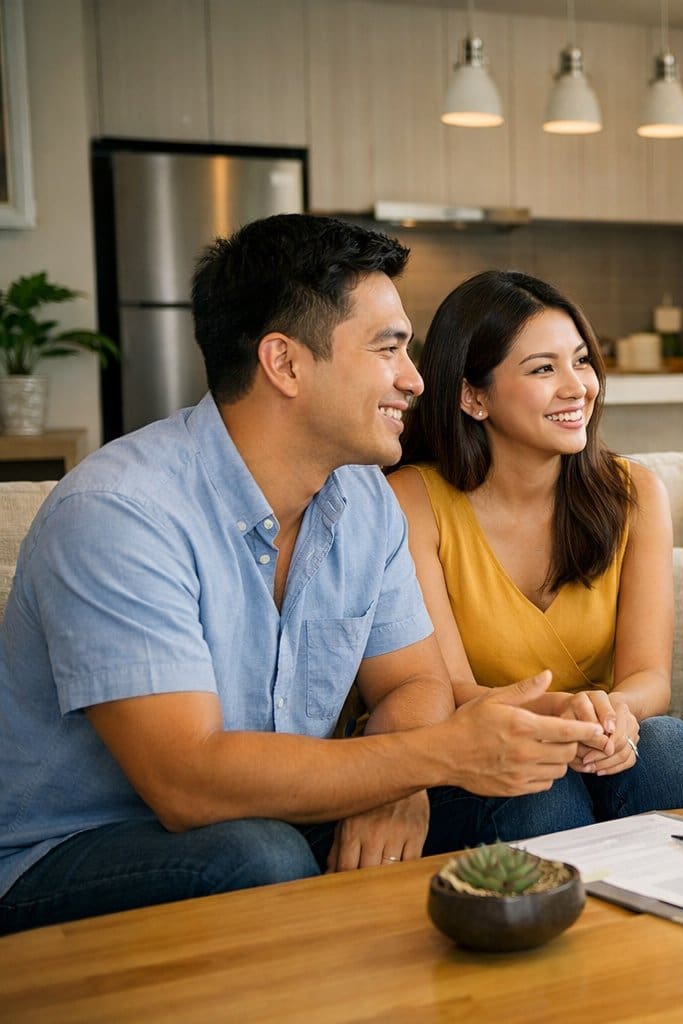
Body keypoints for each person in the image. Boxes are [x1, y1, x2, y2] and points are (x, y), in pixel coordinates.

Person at [0, 215, 607, 935]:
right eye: (388, 349)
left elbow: (414, 684)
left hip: (286, 811)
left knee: (535, 802)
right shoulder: (120, 513)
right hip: (78, 850)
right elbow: (186, 783)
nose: (415, 380)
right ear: (284, 364)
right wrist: (429, 756)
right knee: (258, 857)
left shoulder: (364, 502)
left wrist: (397, 780)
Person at [388, 270, 683, 838]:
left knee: (670, 748)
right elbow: (453, 695)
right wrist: (560, 715)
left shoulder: (635, 493)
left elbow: (648, 676)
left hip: (599, 737)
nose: (578, 387)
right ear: (473, 396)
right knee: (541, 781)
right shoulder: (411, 501)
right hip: (483, 753)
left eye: (582, 360)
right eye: (544, 368)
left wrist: (617, 713)